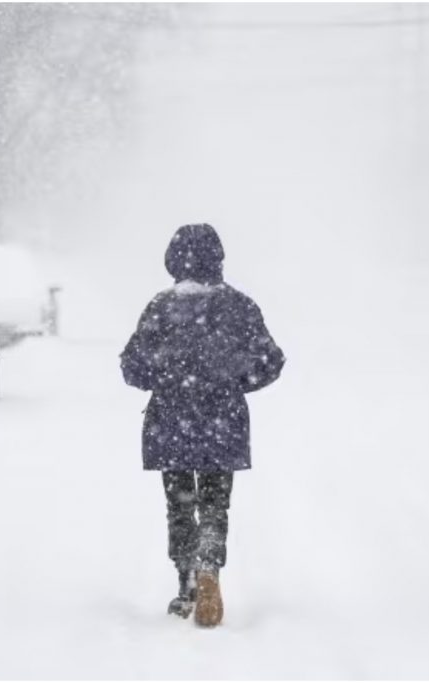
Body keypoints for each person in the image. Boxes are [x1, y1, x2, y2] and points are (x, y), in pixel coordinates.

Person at [120, 224, 285, 627]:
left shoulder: (161, 307)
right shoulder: (240, 306)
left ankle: (188, 585)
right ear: (219, 258)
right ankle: (210, 564)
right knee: (214, 503)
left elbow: (132, 366)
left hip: (171, 422)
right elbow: (271, 361)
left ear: (173, 261)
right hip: (221, 421)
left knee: (179, 506)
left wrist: (164, 380)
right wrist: (234, 384)